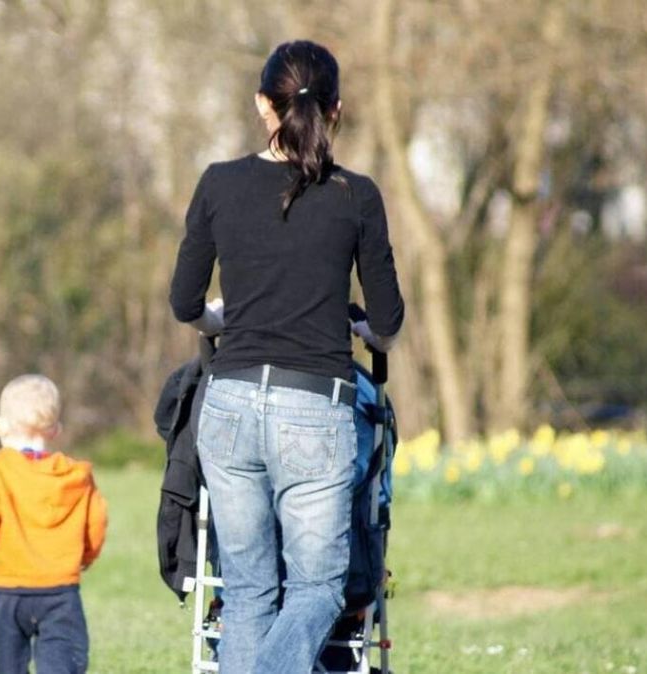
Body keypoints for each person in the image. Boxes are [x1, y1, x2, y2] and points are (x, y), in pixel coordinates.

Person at [168, 40, 404, 674]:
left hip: (231, 406)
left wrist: (221, 316)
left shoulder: (219, 183)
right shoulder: (356, 195)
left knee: (246, 595)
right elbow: (387, 323)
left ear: (261, 106)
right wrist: (361, 328)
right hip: (314, 410)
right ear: (337, 111)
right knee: (319, 591)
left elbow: (185, 303)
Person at [0, 374, 108, 674]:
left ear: (1, 426)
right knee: (62, 662)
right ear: (55, 430)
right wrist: (86, 556)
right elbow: (96, 522)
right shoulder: (76, 479)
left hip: (7, 591)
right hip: (60, 591)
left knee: (7, 664)